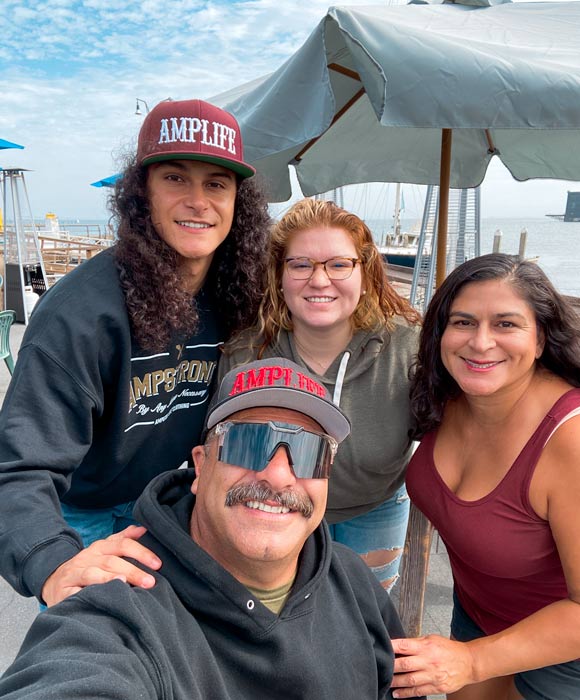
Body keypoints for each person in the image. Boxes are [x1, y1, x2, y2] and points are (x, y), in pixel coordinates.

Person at [0, 358, 411, 700]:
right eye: (249, 442)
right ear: (200, 465)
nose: (278, 475)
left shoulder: (355, 584)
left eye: (308, 452)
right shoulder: (124, 609)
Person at [0, 99, 270, 607]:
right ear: (140, 193)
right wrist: (52, 561)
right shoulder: (78, 315)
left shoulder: (241, 293)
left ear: (239, 201)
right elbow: (19, 466)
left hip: (173, 503)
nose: (198, 200)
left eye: (216, 183)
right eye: (175, 178)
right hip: (84, 513)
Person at [390, 253, 580, 700]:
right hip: (476, 615)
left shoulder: (569, 440)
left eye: (506, 324)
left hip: (565, 651)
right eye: (463, 322)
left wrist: (472, 661)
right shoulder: (448, 395)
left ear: (540, 340)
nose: (480, 342)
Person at [218, 198, 421, 591]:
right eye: (301, 264)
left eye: (339, 264)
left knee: (364, 620)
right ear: (279, 275)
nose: (320, 279)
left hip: (372, 510)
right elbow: (217, 450)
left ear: (366, 274)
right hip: (272, 506)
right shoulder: (247, 354)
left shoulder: (409, 349)